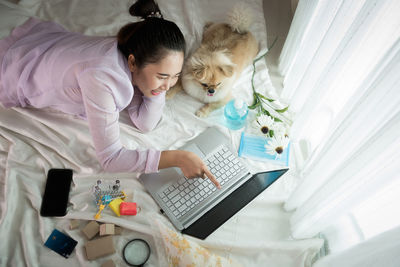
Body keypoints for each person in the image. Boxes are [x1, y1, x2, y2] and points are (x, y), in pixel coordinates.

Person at [0, 0, 221, 188]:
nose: (170, 85)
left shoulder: (134, 52)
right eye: (163, 76)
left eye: (175, 76)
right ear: (133, 62)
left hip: (46, 48)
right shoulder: (102, 79)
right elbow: (111, 159)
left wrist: (160, 84)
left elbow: (145, 123)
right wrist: (177, 157)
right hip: (16, 70)